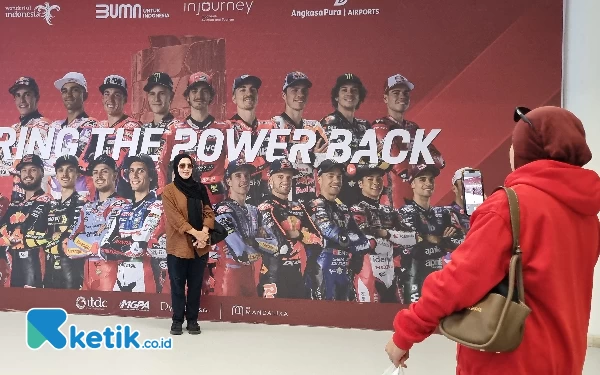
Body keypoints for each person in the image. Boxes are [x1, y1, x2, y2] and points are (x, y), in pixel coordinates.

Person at [386, 106, 600, 375]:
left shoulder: (508, 207)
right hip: (566, 358)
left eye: (515, 142)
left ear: (527, 149)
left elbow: (459, 280)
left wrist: (406, 331)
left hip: (509, 361)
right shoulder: (586, 216)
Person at [372, 74, 445, 209]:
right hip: (392, 202)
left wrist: (421, 167)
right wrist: (422, 166)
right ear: (385, 98)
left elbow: (439, 160)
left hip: (416, 199)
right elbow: (399, 165)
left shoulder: (413, 127)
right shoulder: (379, 125)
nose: (402, 96)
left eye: (406, 93)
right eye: (396, 92)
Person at [350, 162, 417, 303]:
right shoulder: (355, 210)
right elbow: (369, 242)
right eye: (370, 179)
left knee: (394, 317)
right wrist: (397, 238)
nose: (376, 182)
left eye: (379, 178)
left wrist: (386, 234)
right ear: (360, 184)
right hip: (367, 274)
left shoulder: (390, 211)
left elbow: (414, 237)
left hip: (391, 276)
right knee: (367, 319)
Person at [162, 153, 214, 335]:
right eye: (182, 165)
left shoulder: (200, 189)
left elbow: (208, 212)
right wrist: (196, 233)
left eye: (189, 166)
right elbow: (176, 219)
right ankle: (177, 320)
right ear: (176, 168)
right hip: (178, 246)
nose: (185, 169)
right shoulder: (168, 191)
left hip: (200, 247)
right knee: (177, 286)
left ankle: (192, 320)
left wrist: (204, 234)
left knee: (195, 285)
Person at [395, 164, 463, 304]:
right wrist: (444, 242)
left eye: (431, 180)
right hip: (414, 280)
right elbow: (414, 249)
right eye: (422, 179)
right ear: (412, 184)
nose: (428, 183)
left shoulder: (443, 213)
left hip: (439, 279)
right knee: (415, 322)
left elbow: (462, 243)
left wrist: (433, 239)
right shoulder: (405, 212)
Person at [308, 160, 375, 301]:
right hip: (322, 268)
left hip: (344, 268)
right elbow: (328, 230)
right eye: (331, 176)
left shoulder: (343, 208)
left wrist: (353, 242)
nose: (336, 180)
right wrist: (351, 241)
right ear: (319, 179)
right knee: (324, 314)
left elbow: (363, 240)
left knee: (346, 313)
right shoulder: (315, 204)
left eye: (339, 177)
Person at [257, 158, 322, 299]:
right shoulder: (264, 206)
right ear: (270, 179)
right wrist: (303, 236)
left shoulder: (298, 207)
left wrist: (297, 233)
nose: (285, 180)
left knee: (299, 317)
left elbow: (319, 241)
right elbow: (280, 243)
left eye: (288, 177)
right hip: (272, 274)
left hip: (298, 272)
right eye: (280, 177)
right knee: (271, 316)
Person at [64, 154, 129, 291]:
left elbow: (108, 243)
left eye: (104, 171)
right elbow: (70, 246)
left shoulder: (124, 205)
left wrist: (84, 241)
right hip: (87, 274)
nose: (98, 176)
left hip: (113, 272)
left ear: (115, 175)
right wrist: (94, 245)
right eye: (95, 172)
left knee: (109, 310)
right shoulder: (87, 208)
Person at [99, 155, 163, 293]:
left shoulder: (158, 206)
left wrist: (118, 244)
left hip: (147, 273)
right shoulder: (122, 207)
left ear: (151, 176)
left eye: (140, 171)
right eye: (131, 171)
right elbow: (103, 246)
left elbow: (138, 247)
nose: (134, 175)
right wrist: (126, 243)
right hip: (121, 275)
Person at [24, 155, 86, 289]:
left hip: (72, 274)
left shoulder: (84, 204)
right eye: (60, 170)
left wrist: (49, 240)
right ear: (56, 175)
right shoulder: (50, 205)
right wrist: (51, 238)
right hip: (49, 274)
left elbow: (74, 240)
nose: (64, 174)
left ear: (77, 174)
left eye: (70, 170)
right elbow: (28, 238)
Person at [272, 71, 328, 206]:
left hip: (311, 197)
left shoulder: (314, 126)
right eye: (294, 90)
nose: (300, 94)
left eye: (304, 91)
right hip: (283, 198)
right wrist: (312, 157)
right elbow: (275, 162)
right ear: (284, 95)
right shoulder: (274, 125)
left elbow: (326, 164)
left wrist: (297, 153)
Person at [0, 154, 52, 288]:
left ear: (42, 172)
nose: (27, 174)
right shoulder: (14, 206)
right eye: (24, 170)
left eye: (33, 170)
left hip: (36, 270)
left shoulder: (48, 202)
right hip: (13, 270)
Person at [228, 74, 280, 207]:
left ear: (257, 97)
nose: (248, 93)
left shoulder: (270, 127)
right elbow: (232, 164)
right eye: (242, 89)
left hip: (267, 196)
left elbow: (280, 159)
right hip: (239, 198)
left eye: (253, 90)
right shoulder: (226, 128)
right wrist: (265, 159)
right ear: (234, 98)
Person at [320, 73, 370, 207]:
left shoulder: (365, 126)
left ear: (360, 96)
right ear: (336, 96)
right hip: (339, 193)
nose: (350, 93)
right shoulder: (328, 123)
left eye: (354, 90)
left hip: (364, 193)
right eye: (344, 90)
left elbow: (375, 159)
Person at [48, 72, 98, 200]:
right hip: (55, 195)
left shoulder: (92, 125)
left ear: (85, 95)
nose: (68, 95)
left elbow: (82, 162)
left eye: (74, 90)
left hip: (82, 194)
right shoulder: (55, 126)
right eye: (64, 91)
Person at [0, 77, 51, 202]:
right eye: (18, 95)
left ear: (36, 97)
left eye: (27, 94)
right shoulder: (13, 130)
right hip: (17, 195)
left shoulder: (47, 126)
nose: (22, 100)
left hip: (40, 194)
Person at [140, 72, 181, 196]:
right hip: (144, 195)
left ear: (171, 96)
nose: (156, 99)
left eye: (162, 93)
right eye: (152, 94)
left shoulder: (180, 128)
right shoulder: (142, 130)